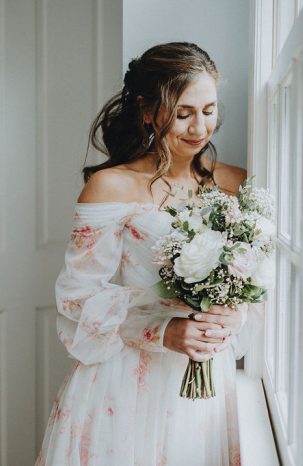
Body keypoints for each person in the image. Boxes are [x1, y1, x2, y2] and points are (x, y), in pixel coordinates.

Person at [36, 42, 264, 466]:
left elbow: (260, 284)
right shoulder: (110, 187)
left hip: (206, 390)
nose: (200, 127)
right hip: (125, 387)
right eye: (183, 113)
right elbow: (75, 300)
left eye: (209, 110)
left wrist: (236, 314)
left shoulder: (236, 183)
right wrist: (160, 331)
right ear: (147, 111)